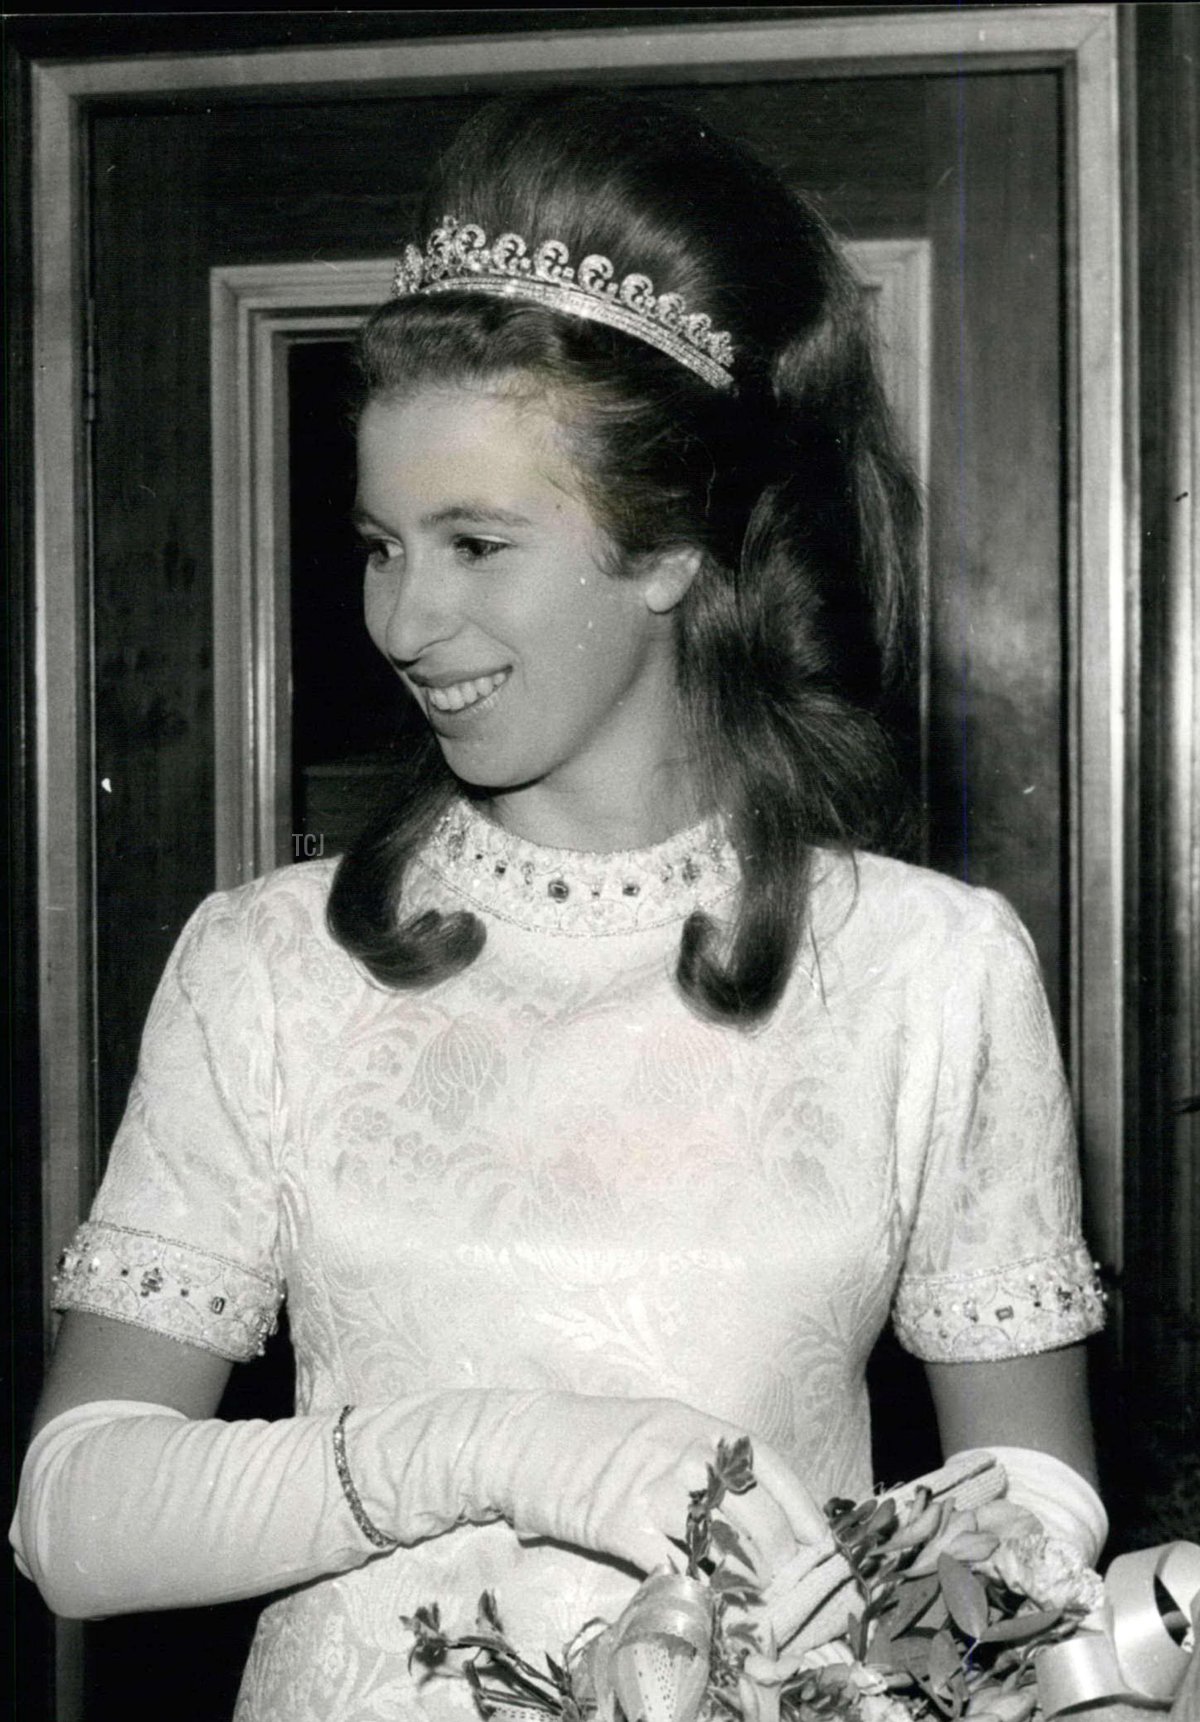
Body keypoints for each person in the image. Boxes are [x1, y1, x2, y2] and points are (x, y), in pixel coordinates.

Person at [13, 91, 1107, 1721]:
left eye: (476, 543)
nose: (404, 619)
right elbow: (71, 1518)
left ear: (671, 551)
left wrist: (836, 1672)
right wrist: (507, 1449)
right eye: (381, 544)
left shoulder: (930, 969)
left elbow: (1034, 1513)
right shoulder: (266, 962)